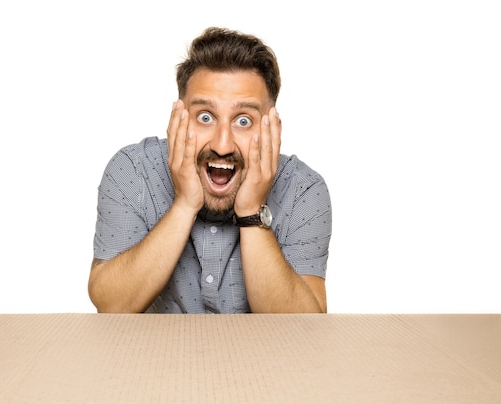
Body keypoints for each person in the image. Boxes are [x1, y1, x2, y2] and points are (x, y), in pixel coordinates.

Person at [88, 27, 332, 314]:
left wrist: (252, 211)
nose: (222, 144)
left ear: (272, 129)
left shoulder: (303, 190)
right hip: (156, 358)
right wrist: (184, 204)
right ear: (178, 119)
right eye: (205, 117)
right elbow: (111, 305)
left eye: (243, 121)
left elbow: (304, 328)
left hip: (263, 360)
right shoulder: (133, 170)